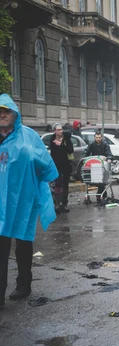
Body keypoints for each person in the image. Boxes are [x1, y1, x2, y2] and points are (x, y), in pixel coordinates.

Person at [0, 94, 58, 305]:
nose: (2, 115)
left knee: (23, 244)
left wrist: (32, 158)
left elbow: (46, 164)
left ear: (15, 114)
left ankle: (24, 284)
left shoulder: (28, 136)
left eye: (6, 111)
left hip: (22, 200)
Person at [49, 123, 74, 213]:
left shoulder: (67, 138)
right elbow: (52, 153)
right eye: (58, 130)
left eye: (61, 129)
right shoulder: (52, 139)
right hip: (56, 165)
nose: (60, 131)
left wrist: (62, 144)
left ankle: (64, 204)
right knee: (58, 184)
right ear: (54, 131)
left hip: (66, 165)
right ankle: (57, 204)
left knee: (65, 184)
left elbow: (71, 150)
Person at [82, 132, 113, 203]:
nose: (98, 139)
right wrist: (84, 157)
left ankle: (101, 195)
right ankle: (98, 195)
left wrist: (108, 158)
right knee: (89, 179)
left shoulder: (105, 144)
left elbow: (108, 153)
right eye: (96, 137)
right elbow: (86, 151)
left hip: (102, 164)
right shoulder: (92, 144)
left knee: (102, 179)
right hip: (94, 164)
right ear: (94, 138)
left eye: (99, 137)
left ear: (101, 138)